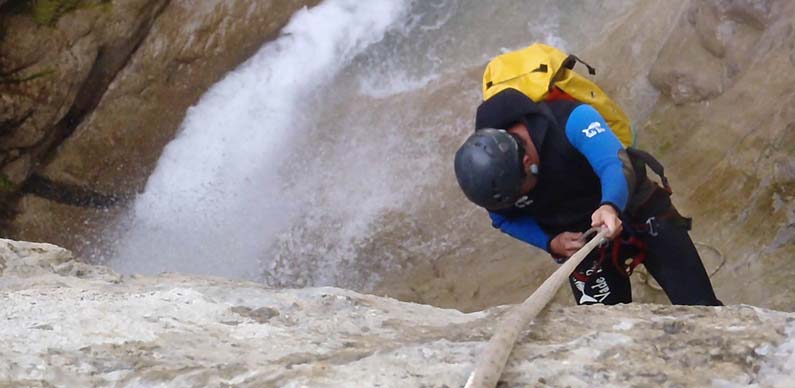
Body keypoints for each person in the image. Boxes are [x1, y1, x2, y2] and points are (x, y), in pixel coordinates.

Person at [454, 87, 721, 306]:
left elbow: (615, 164)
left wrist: (609, 205)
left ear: (527, 161)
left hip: (638, 209)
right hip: (581, 241)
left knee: (699, 306)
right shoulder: (494, 185)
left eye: (525, 192)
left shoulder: (572, 120)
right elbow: (503, 220)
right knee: (603, 332)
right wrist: (551, 242)